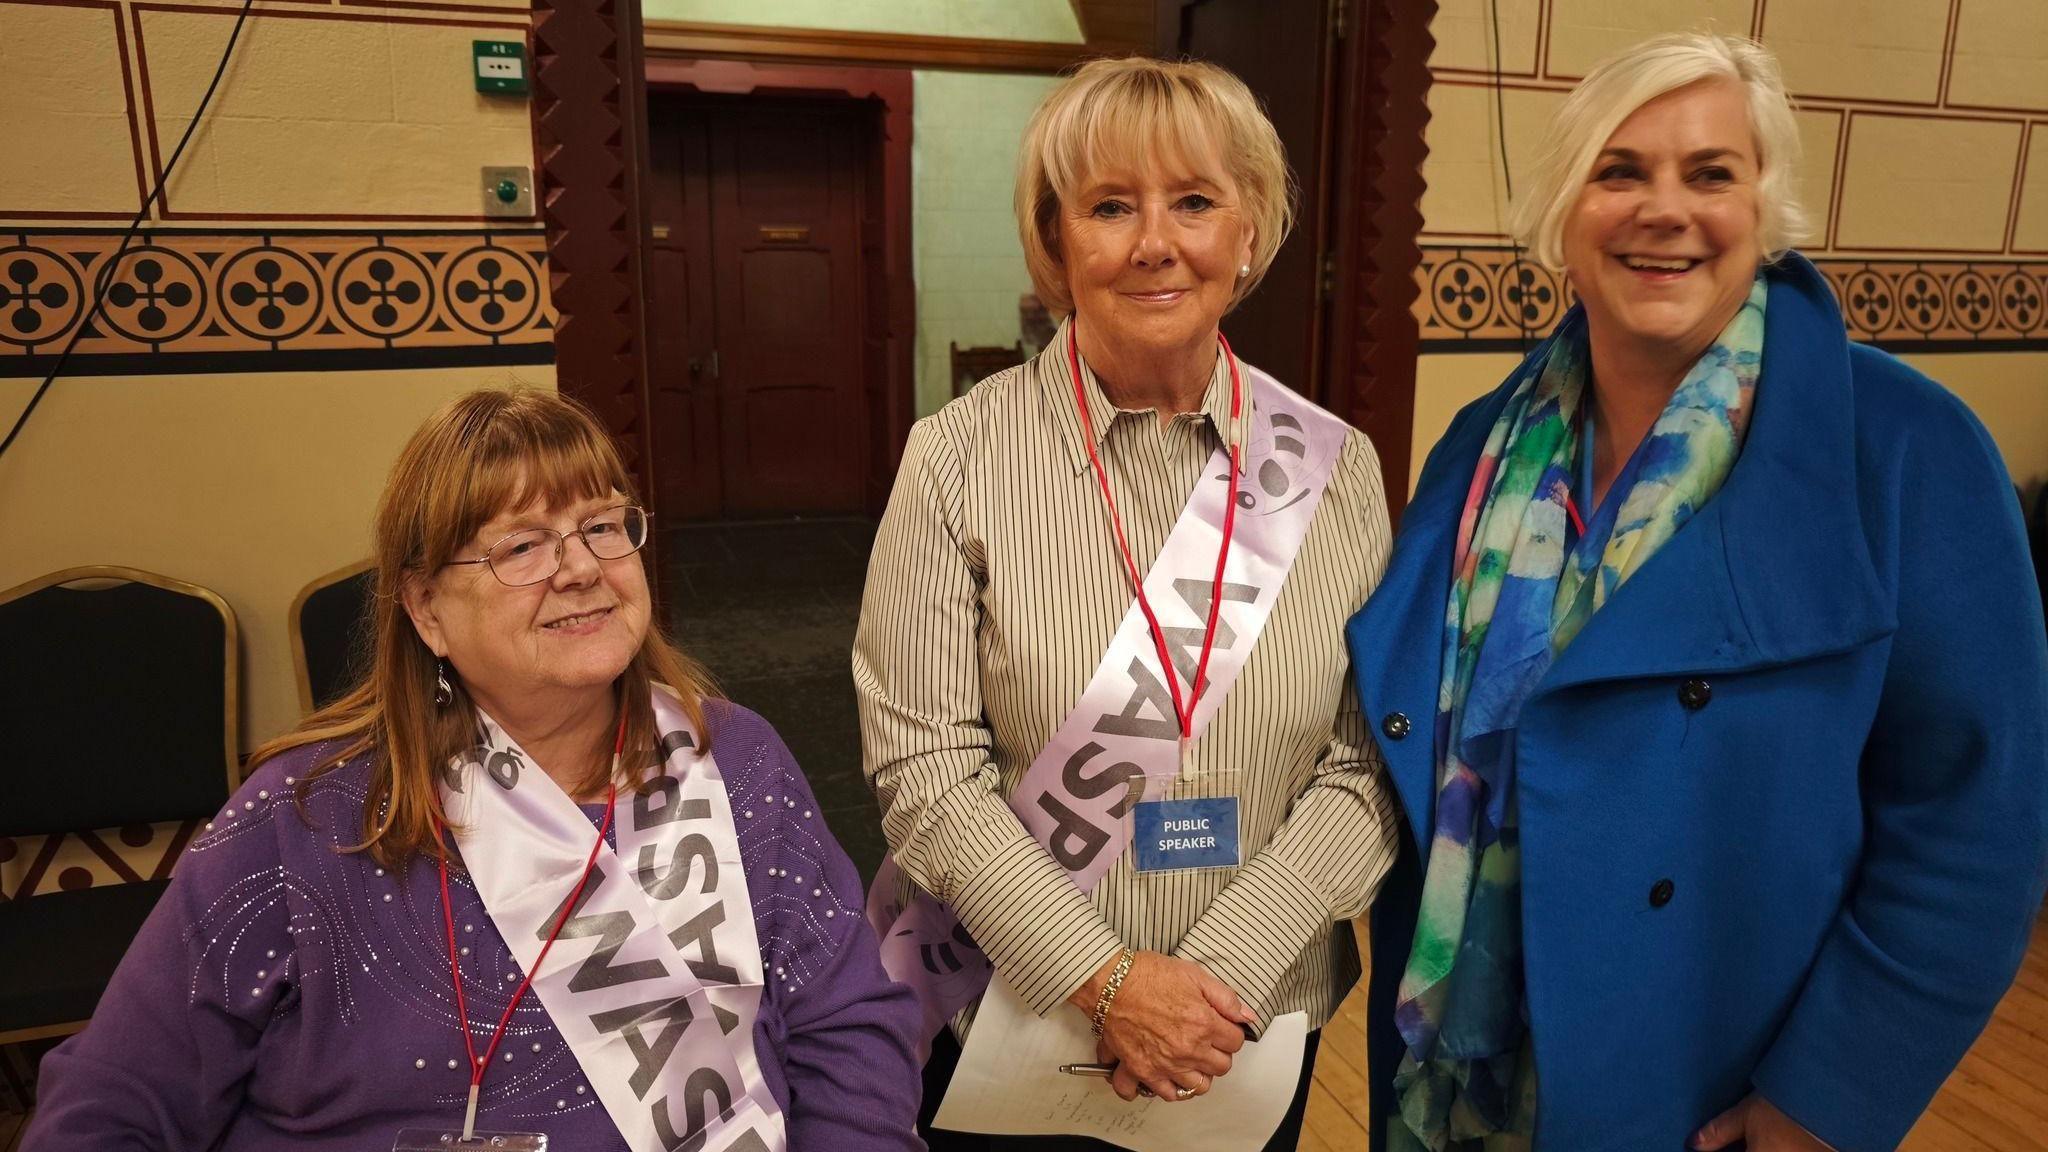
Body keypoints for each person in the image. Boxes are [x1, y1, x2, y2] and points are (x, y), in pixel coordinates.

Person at [1345, 32, 2048, 1152]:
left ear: (1763, 209)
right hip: (1455, 1078)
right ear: (1562, 213)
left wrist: (1826, 1098)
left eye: (1709, 173)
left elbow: (1971, 826)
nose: (1661, 209)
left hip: (1707, 1083)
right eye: (1618, 171)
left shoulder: (1908, 453)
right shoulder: (1480, 449)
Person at [25, 389, 925, 1151]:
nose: (581, 570)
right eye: (521, 546)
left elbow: (850, 1030)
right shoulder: (302, 821)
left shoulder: (735, 759)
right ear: (425, 609)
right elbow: (110, 1107)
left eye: (603, 526)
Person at [855, 56, 1399, 1150]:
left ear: (1245, 230)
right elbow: (923, 770)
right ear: (1057, 243)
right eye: (1110, 206)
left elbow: (1364, 760)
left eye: (1193, 201)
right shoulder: (953, 460)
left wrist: (1211, 985)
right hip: (1012, 1023)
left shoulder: (1332, 470)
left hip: (1243, 1037)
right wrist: (1104, 980)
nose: (1156, 241)